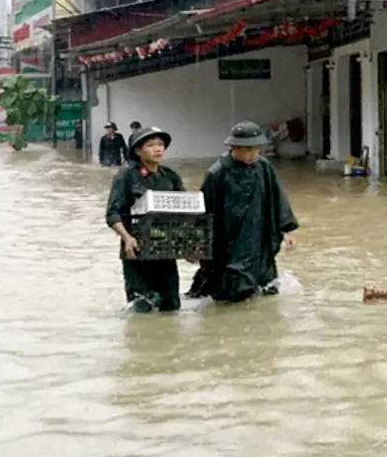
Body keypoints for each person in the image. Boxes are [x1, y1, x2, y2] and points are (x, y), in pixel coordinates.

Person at [189, 121, 299, 304]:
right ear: (234, 147)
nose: (252, 155)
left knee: (266, 286)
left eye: (256, 149)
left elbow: (277, 196)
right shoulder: (217, 173)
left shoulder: (263, 167)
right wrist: (198, 246)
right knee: (234, 291)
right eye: (247, 150)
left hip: (260, 237)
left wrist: (286, 229)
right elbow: (205, 212)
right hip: (231, 241)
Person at [106, 126, 186, 313]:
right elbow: (112, 214)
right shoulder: (126, 176)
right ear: (137, 151)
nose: (158, 149)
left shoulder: (170, 177)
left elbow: (184, 212)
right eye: (151, 145)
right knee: (140, 309)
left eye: (160, 145)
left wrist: (187, 246)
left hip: (166, 251)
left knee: (171, 307)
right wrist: (127, 238)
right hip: (137, 251)